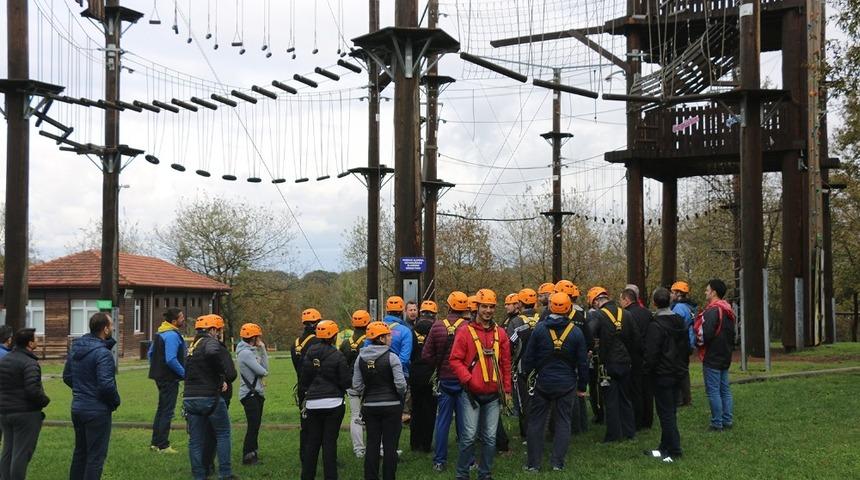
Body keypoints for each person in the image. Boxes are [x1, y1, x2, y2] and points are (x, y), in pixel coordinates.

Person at [521, 293, 588, 472]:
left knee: (536, 422)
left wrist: (527, 375)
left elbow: (529, 357)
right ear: (569, 308)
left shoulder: (540, 329)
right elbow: (582, 362)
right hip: (567, 383)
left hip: (543, 382)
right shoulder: (576, 332)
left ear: (550, 307)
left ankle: (533, 464)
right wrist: (582, 386)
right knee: (563, 421)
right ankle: (557, 463)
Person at [450, 288, 512, 480]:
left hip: (493, 394)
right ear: (477, 307)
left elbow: (506, 363)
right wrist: (468, 380)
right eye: (484, 306)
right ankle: (462, 474)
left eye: (491, 307)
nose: (488, 310)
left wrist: (507, 389)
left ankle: (485, 474)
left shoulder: (501, 333)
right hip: (471, 394)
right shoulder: (464, 332)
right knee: (468, 437)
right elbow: (455, 360)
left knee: (490, 438)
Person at [63, 312, 120, 480]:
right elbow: (106, 385)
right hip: (97, 411)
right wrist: (115, 402)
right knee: (95, 456)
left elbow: (67, 376)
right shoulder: (103, 353)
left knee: (80, 452)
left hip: (78, 407)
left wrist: (81, 390)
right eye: (111, 325)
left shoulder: (76, 348)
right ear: (105, 329)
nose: (113, 328)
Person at [183, 314, 237, 480]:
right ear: (212, 330)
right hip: (209, 397)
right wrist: (222, 375)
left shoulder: (191, 347)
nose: (219, 334)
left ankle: (199, 475)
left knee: (195, 440)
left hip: (190, 398)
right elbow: (213, 353)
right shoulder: (210, 342)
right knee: (223, 433)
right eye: (218, 330)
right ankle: (225, 473)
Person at [422, 291, 470, 472]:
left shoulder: (437, 326)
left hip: (445, 379)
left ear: (449, 306)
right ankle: (469, 460)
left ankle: (439, 461)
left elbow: (426, 354)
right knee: (465, 423)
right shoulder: (468, 327)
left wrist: (439, 366)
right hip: (463, 380)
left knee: (442, 421)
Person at [353, 321, 408, 480]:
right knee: (390, 445)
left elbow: (356, 385)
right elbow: (401, 385)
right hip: (392, 406)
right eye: (388, 335)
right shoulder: (392, 357)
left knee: (372, 443)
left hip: (370, 406)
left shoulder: (360, 358)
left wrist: (368, 392)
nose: (391, 338)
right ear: (381, 338)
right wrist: (397, 395)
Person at [586, 287, 639, 443]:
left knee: (610, 399)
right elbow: (636, 338)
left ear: (596, 301)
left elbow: (589, 334)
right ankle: (629, 432)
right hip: (625, 361)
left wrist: (594, 346)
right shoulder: (626, 314)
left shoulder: (598, 315)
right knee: (625, 398)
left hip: (607, 363)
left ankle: (613, 435)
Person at [300, 320, 351, 480]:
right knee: (329, 443)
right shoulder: (338, 355)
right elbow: (346, 381)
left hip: (313, 403)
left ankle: (307, 476)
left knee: (312, 443)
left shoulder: (309, 353)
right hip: (333, 403)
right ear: (334, 336)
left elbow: (304, 379)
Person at [643, 287, 688, 462]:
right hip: (677, 371)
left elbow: (651, 354)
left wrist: (647, 371)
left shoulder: (655, 326)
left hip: (662, 374)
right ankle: (664, 446)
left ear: (654, 303)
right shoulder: (680, 321)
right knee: (670, 411)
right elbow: (686, 347)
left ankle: (674, 450)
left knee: (665, 413)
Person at [0, 328, 50, 480]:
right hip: (25, 413)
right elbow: (32, 390)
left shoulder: (5, 359)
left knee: (8, 451)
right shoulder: (30, 363)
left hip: (5, 412)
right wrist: (44, 400)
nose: (37, 341)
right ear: (30, 343)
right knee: (21, 453)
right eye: (36, 338)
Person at [694, 279, 736, 432]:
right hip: (725, 354)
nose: (705, 292)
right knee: (725, 389)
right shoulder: (728, 310)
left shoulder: (712, 311)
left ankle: (717, 423)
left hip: (712, 355)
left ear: (714, 292)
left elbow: (706, 334)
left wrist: (698, 342)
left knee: (713, 391)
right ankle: (727, 420)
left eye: (707, 290)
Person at [147, 307, 186, 454]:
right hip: (169, 379)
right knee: (167, 412)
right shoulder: (172, 335)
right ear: (174, 321)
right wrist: (185, 374)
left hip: (159, 377)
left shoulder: (161, 332)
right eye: (181, 317)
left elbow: (150, 353)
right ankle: (163, 445)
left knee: (161, 409)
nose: (183, 319)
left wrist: (157, 368)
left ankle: (155, 443)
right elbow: (171, 359)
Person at [554, 280, 591, 435]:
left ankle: (569, 427)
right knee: (578, 394)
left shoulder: (550, 316)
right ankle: (581, 425)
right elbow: (589, 339)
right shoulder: (579, 316)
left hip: (560, 361)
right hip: (577, 359)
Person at [506, 288, 540, 439]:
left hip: (522, 367)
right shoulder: (542, 319)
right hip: (541, 366)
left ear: (520, 303)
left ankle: (526, 434)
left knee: (523, 401)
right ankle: (540, 430)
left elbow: (510, 343)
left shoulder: (516, 322)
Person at [619, 287, 652, 430]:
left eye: (621, 300)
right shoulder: (647, 312)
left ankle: (637, 420)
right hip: (648, 354)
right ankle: (648, 419)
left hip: (633, 355)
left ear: (627, 300)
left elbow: (628, 337)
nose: (620, 303)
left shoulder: (626, 315)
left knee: (635, 389)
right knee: (647, 389)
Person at [237, 322, 269, 465]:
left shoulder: (252, 351)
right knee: (253, 426)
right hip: (249, 394)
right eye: (258, 337)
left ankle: (253, 452)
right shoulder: (246, 353)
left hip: (256, 393)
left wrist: (263, 350)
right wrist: (262, 350)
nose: (260, 340)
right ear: (253, 338)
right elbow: (262, 371)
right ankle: (248, 455)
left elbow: (265, 368)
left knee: (256, 425)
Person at [292, 308, 322, 462]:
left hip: (302, 387)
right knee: (321, 425)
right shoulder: (317, 342)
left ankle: (304, 456)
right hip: (317, 387)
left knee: (305, 424)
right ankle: (319, 456)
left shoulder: (296, 343)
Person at [341, 310, 371, 458]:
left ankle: (359, 449)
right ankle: (377, 446)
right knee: (372, 416)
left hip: (351, 383)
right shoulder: (370, 340)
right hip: (368, 384)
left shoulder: (345, 343)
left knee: (355, 416)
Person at [409, 300, 437, 452]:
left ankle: (415, 443)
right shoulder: (437, 330)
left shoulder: (412, 330)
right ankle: (426, 444)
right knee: (430, 410)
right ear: (434, 314)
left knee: (416, 409)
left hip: (415, 374)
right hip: (431, 374)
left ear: (421, 313)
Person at [670, 281, 697, 407]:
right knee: (684, 370)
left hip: (680, 343)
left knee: (678, 370)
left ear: (678, 293)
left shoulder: (679, 308)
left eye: (672, 292)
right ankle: (686, 398)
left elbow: (675, 326)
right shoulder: (690, 306)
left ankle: (680, 399)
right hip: (689, 342)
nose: (671, 295)